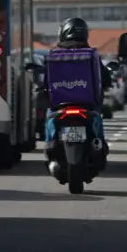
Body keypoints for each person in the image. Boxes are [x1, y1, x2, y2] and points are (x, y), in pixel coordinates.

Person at [43, 17, 112, 174]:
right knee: (97, 120)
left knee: (49, 117)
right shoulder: (92, 55)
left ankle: (51, 143)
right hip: (88, 106)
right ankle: (98, 144)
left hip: (58, 106)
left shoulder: (54, 55)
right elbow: (105, 79)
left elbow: (45, 82)